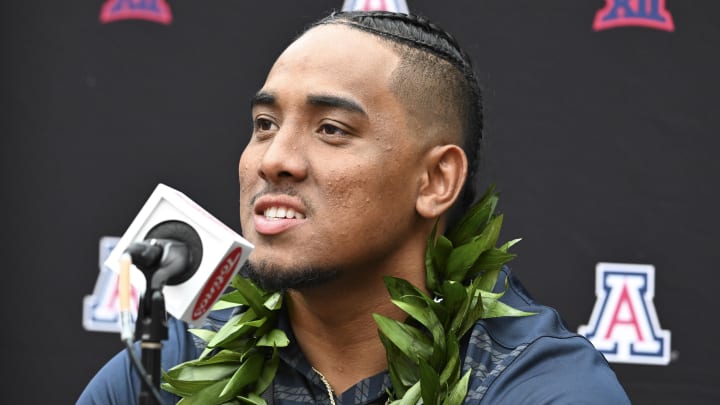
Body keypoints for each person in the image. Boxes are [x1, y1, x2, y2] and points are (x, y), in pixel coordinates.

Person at [78, 10, 630, 405]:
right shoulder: (169, 365)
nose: (276, 159)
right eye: (265, 125)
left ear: (436, 180)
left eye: (332, 129)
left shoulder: (539, 387)